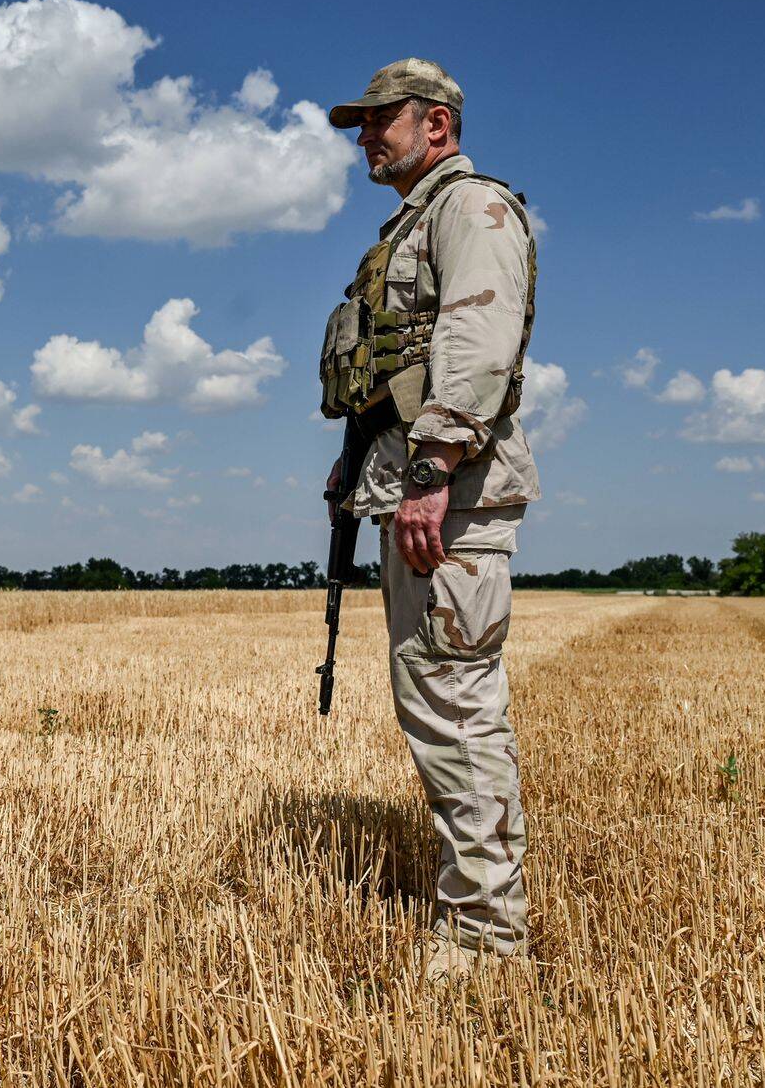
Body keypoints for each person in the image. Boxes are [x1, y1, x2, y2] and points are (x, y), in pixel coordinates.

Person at [319, 58, 539, 981]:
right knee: (437, 703)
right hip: (414, 493)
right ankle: (479, 917)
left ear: (437, 124)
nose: (367, 136)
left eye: (381, 119)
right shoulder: (414, 223)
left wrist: (431, 468)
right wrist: (360, 467)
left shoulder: (471, 208)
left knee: (454, 710)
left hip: (444, 501)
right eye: (360, 123)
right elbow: (390, 373)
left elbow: (479, 342)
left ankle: (487, 942)